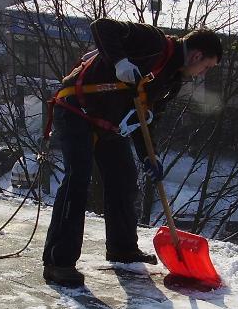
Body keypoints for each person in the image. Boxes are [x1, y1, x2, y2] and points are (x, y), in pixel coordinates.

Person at [42, 18, 222, 287]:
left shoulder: (172, 80)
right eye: (206, 66)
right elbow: (101, 26)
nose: (202, 74)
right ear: (196, 55)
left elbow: (146, 118)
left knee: (124, 180)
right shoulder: (153, 41)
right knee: (77, 180)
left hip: (108, 124)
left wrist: (149, 155)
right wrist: (119, 62)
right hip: (75, 110)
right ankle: (59, 262)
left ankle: (122, 248)